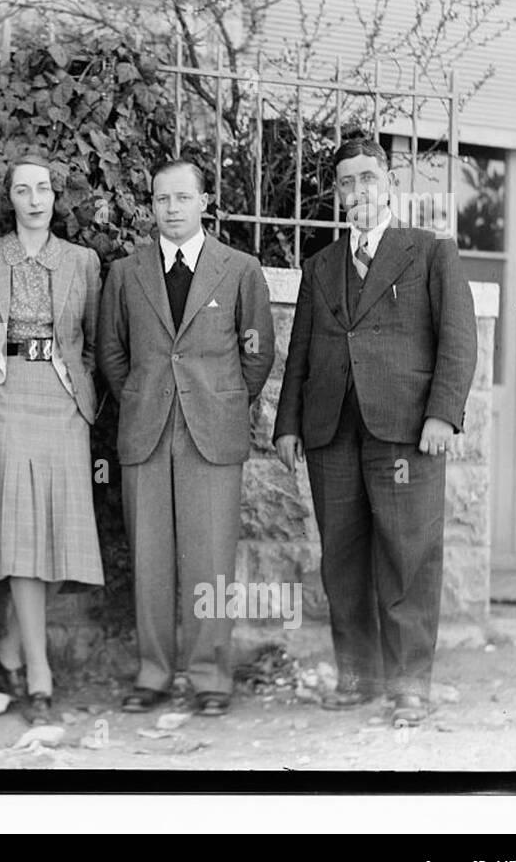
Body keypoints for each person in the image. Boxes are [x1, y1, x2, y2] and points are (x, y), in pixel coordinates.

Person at [275, 135, 476, 728]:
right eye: (347, 183)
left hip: (406, 432)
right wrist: (288, 425)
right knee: (342, 558)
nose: (358, 191)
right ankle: (357, 675)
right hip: (332, 431)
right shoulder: (320, 266)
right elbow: (301, 354)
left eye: (368, 178)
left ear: (388, 182)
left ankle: (410, 684)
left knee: (408, 554)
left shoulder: (430, 251)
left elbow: (458, 341)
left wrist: (442, 414)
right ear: (338, 194)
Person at [98, 159, 274, 718]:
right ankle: (153, 673)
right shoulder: (127, 273)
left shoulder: (239, 269)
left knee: (211, 561)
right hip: (147, 429)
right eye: (161, 199)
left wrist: (222, 400)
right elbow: (111, 352)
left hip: (212, 435)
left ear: (204, 202)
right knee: (149, 558)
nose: (171, 208)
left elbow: (258, 351)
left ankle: (210, 677)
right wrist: (143, 396)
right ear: (151, 205)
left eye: (182, 198)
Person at [0, 152, 104, 726]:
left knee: (63, 536)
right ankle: (39, 674)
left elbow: (91, 340)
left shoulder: (82, 261)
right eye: (22, 190)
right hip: (6, 400)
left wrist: (75, 381)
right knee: (20, 535)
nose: (35, 200)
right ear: (9, 198)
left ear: (54, 197)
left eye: (43, 189)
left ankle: (11, 644)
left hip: (62, 402)